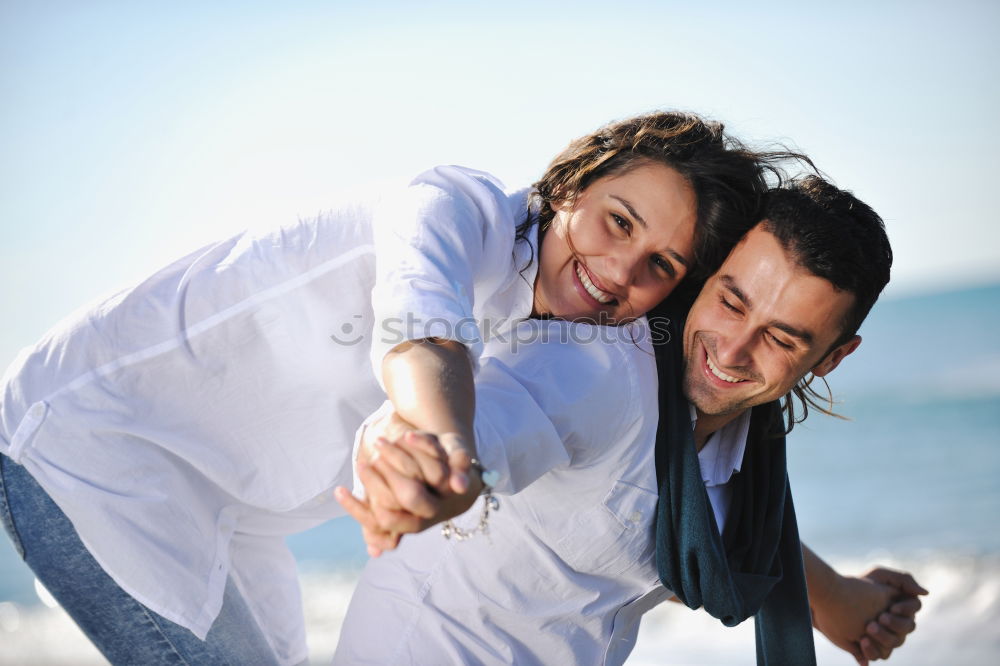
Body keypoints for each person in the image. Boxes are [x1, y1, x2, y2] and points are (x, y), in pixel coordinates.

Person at [0, 112, 796, 665]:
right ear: (572, 183)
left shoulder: (584, 336)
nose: (621, 272)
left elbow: (654, 488)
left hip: (237, 514)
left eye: (662, 265)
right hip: (84, 446)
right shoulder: (449, 209)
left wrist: (829, 595)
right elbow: (424, 334)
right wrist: (443, 444)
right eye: (617, 222)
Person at [333, 176, 926, 665]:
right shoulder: (596, 372)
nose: (733, 351)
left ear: (831, 358)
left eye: (780, 338)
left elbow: (722, 526)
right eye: (731, 301)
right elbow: (475, 425)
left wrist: (846, 601)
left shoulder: (743, 451)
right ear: (708, 274)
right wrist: (420, 464)